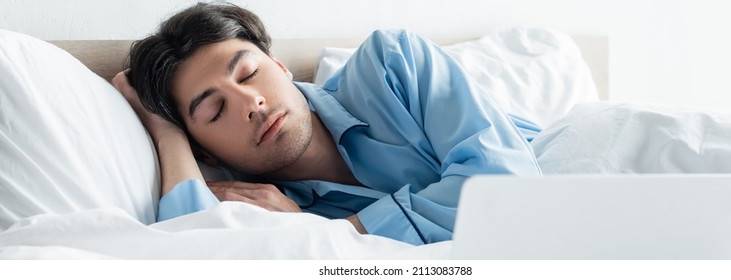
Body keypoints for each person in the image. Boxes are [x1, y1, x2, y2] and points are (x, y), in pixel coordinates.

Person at [111, 2, 542, 246]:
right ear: (205, 152)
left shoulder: (394, 65)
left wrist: (335, 230)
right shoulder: (263, 208)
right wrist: (166, 133)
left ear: (280, 66)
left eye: (248, 74)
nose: (251, 102)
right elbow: (192, 245)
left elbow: (506, 191)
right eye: (214, 111)